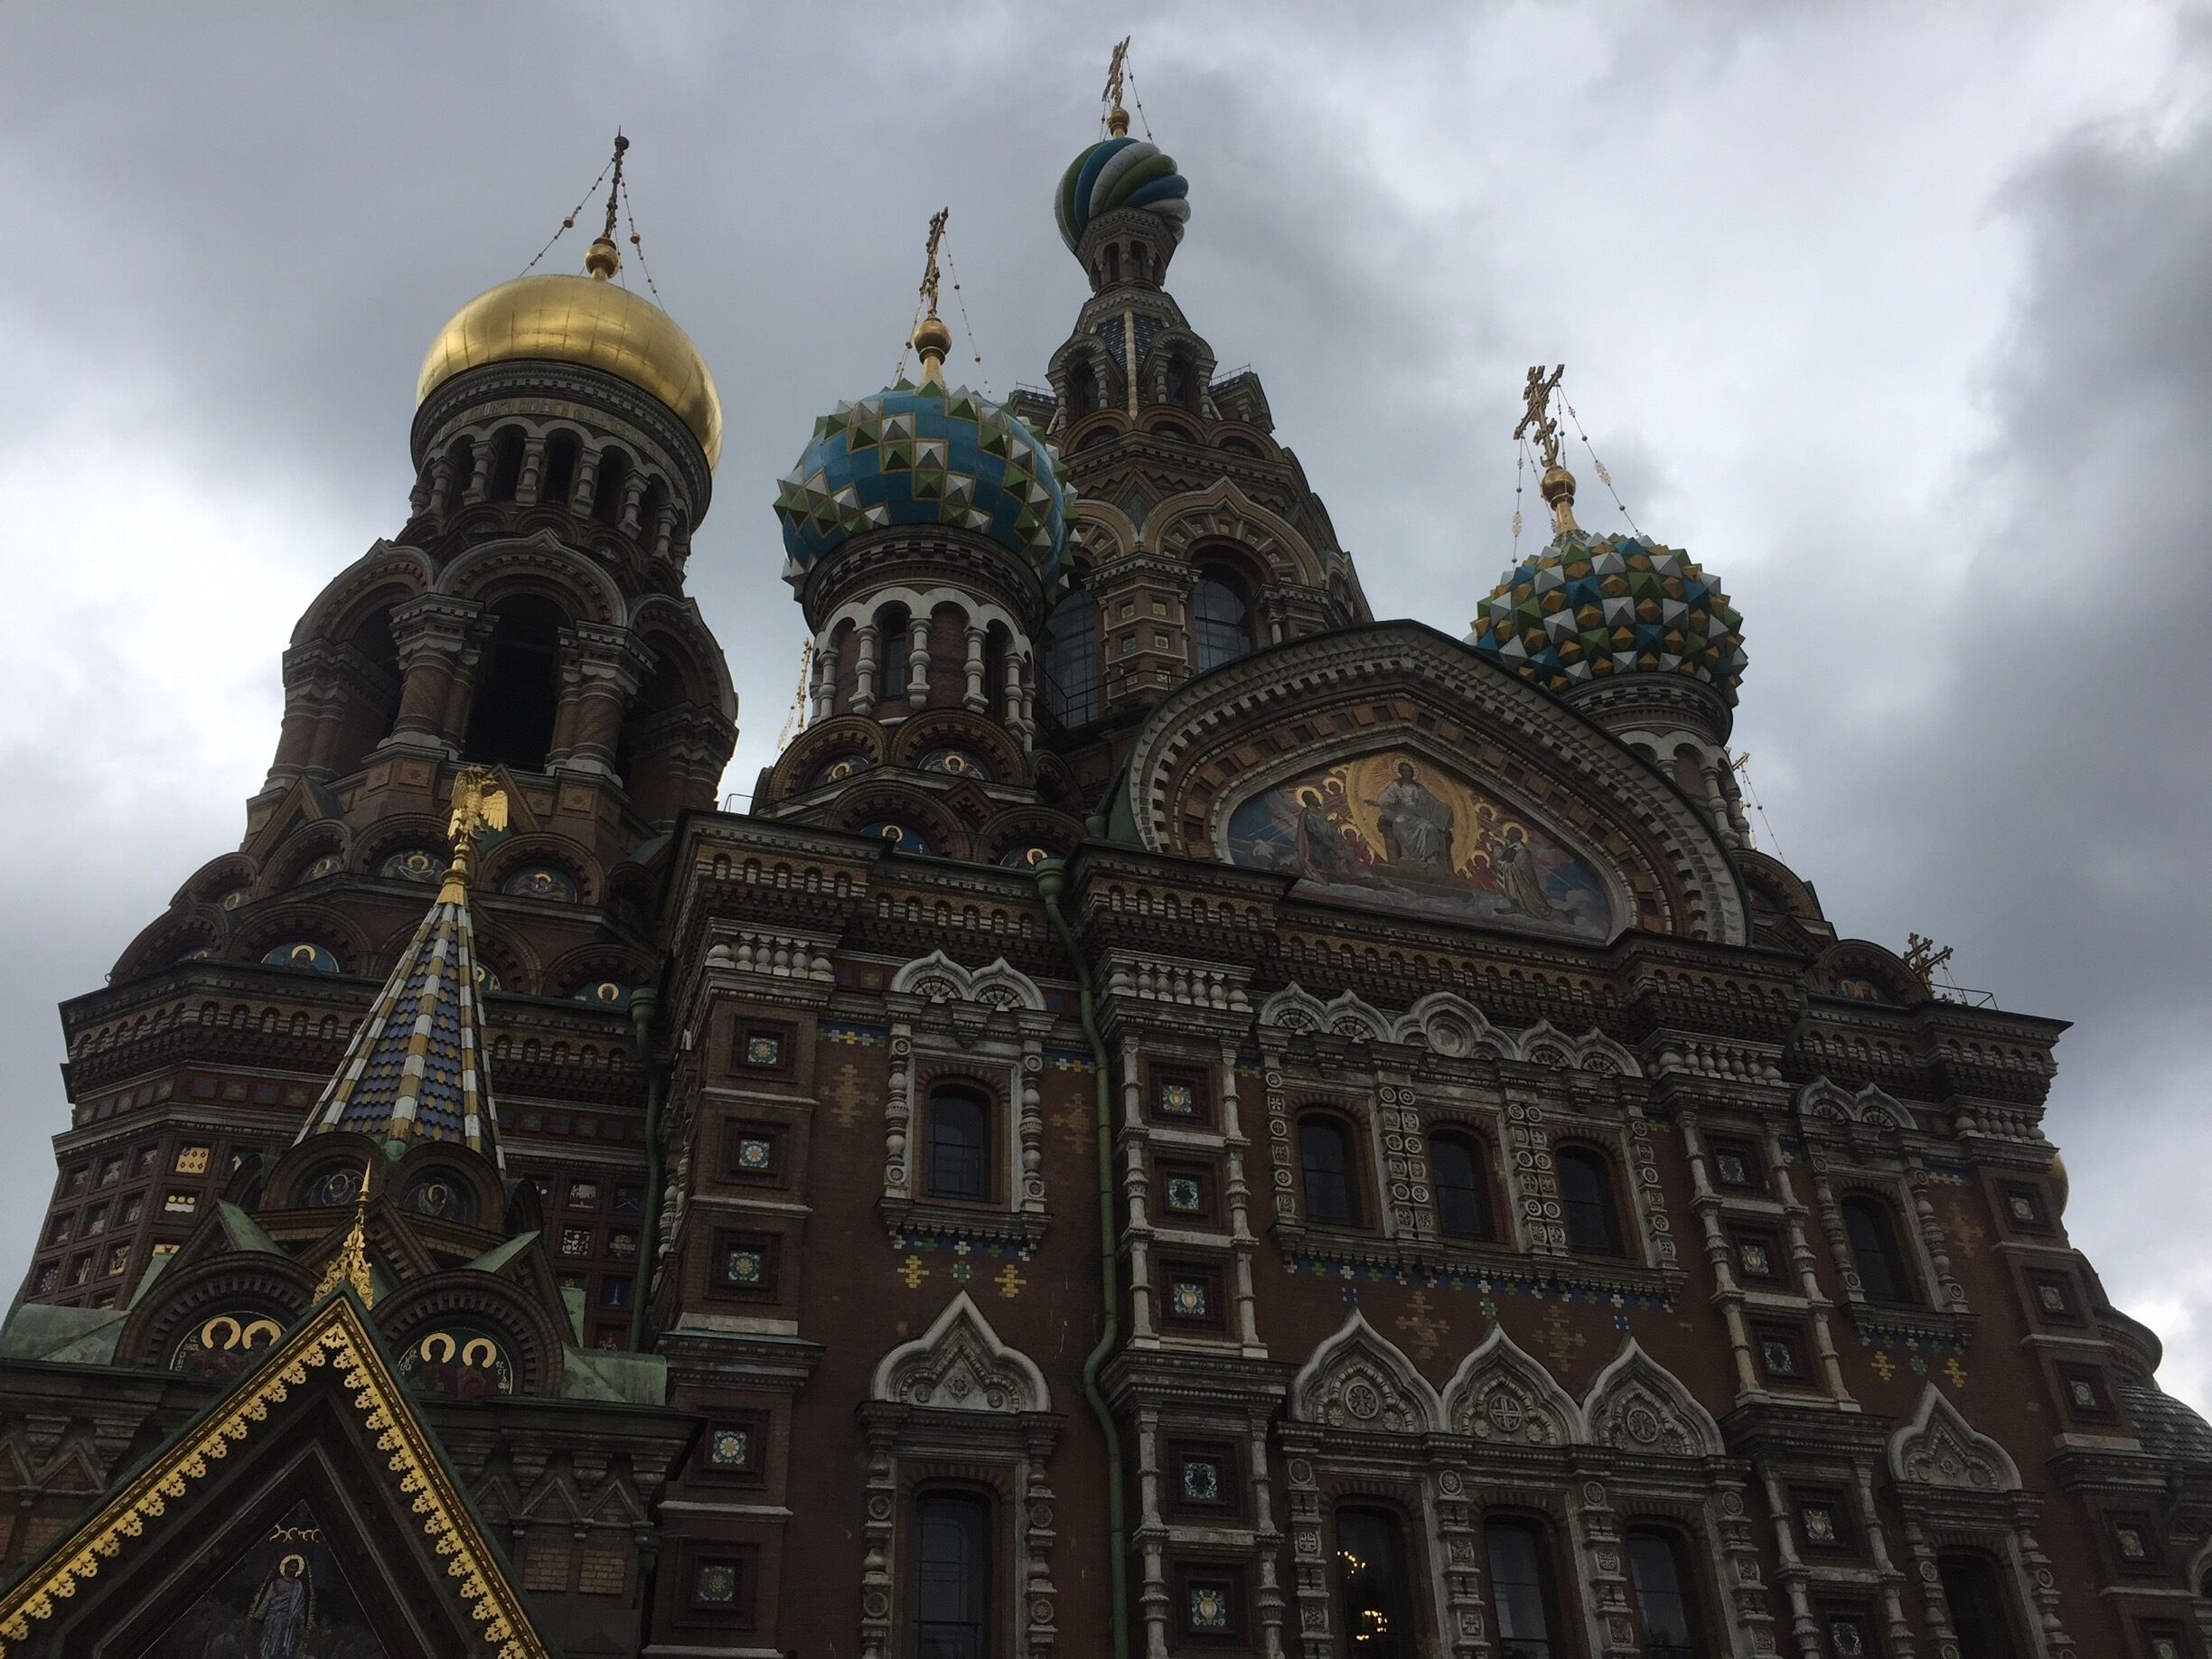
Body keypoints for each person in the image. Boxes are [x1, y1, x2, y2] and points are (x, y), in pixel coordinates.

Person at [1369, 761, 1454, 867]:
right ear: (1400, 772)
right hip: (1403, 816)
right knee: (1400, 823)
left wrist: (1444, 810)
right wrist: (1378, 803)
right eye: (1404, 771)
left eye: (1409, 771)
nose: (1407, 773)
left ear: (1412, 772)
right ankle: (1407, 856)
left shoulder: (1418, 788)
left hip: (1418, 818)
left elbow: (1431, 802)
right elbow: (1384, 800)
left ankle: (1430, 858)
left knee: (1430, 828)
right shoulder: (1396, 786)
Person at [248, 1554, 313, 1659]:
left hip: (287, 1622)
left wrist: (301, 1625)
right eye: (291, 1567)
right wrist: (256, 1616)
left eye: (295, 1568)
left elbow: (300, 1607)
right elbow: (266, 1601)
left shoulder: (298, 1586)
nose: (292, 1570)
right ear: (286, 1567)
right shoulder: (276, 1583)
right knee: (270, 1644)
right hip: (273, 1620)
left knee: (282, 1647)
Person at [1490, 824, 1560, 918]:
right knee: (1510, 890)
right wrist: (1497, 851)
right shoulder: (1510, 848)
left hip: (1522, 881)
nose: (1507, 835)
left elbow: (1520, 867)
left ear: (1515, 836)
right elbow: (1502, 860)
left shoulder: (1522, 850)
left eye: (1510, 833)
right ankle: (1515, 907)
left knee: (1520, 892)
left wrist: (1505, 865)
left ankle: (1525, 908)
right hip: (1510, 876)